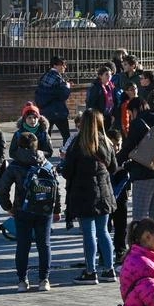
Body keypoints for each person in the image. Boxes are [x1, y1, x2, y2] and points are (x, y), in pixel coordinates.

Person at [63, 109, 119, 283]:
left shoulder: (77, 144)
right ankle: (109, 269)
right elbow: (114, 167)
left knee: (88, 233)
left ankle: (90, 271)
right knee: (104, 232)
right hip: (104, 193)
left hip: (83, 193)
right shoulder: (107, 143)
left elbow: (67, 171)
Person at [0, 131, 56, 291]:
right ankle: (44, 280)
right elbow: (55, 187)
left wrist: (8, 207)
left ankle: (22, 281)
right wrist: (56, 209)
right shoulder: (46, 163)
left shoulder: (15, 165)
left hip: (22, 210)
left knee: (23, 246)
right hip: (44, 209)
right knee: (44, 244)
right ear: (36, 146)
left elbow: (2, 188)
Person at [120, 90, 154, 224]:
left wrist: (115, 163)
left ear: (135, 110)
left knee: (139, 218)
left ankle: (137, 245)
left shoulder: (138, 122)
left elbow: (128, 148)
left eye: (130, 113)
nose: (130, 116)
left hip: (145, 174)